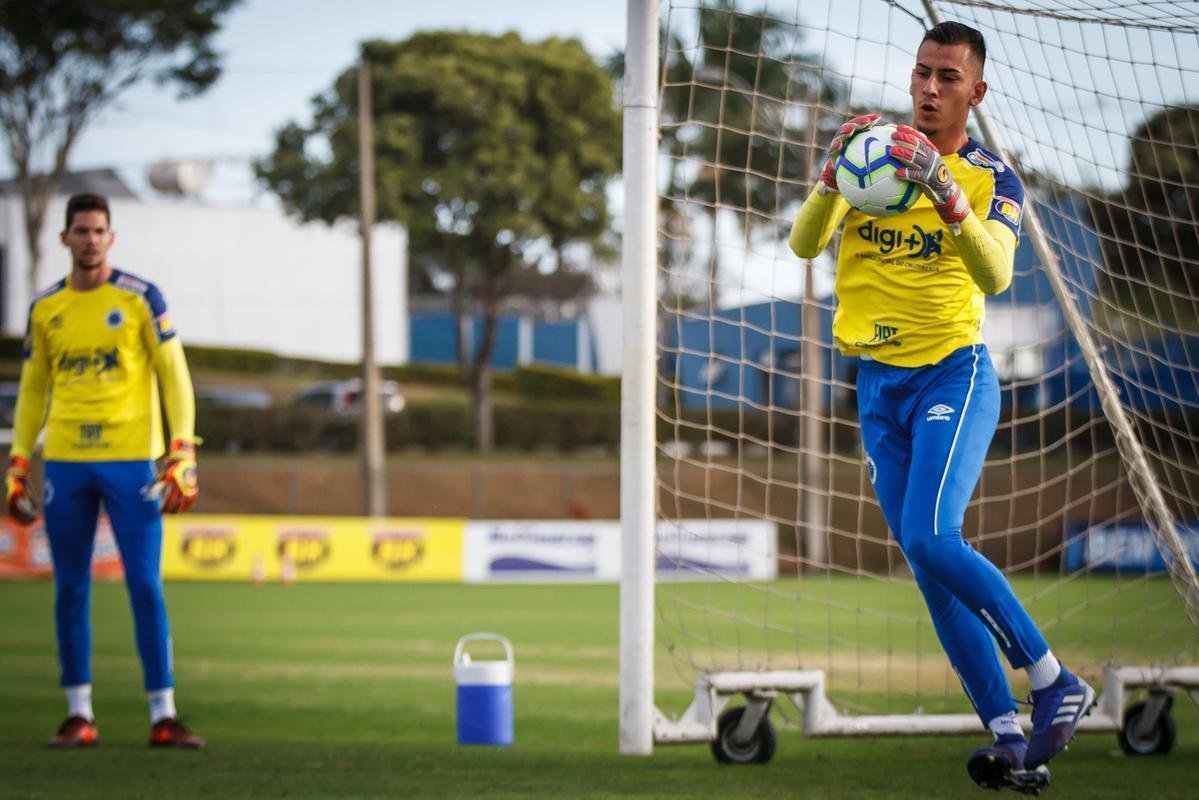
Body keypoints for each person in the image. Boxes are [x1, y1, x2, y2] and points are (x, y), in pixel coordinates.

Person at [789, 21, 1094, 793]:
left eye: (947, 78)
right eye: (921, 72)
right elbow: (802, 244)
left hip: (949, 378)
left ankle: (1053, 678)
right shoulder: (872, 158)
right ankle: (1008, 738)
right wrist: (830, 174)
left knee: (931, 536)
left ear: (975, 92)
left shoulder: (993, 178)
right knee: (928, 570)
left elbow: (993, 276)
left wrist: (944, 191)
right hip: (875, 386)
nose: (928, 88)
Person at [5, 193, 205, 749]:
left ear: (110, 238)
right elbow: (33, 390)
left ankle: (163, 716)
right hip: (66, 462)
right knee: (70, 588)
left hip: (131, 461)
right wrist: (19, 461)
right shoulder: (46, 308)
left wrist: (181, 451)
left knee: (145, 586)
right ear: (65, 239)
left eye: (98, 231)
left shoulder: (141, 297)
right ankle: (79, 715)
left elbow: (174, 375)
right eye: (80, 231)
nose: (90, 240)